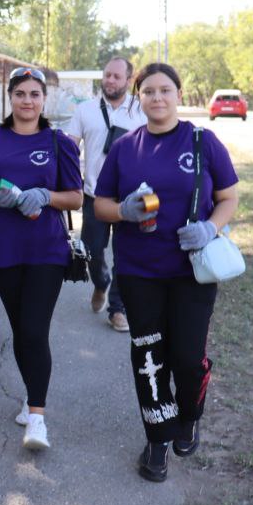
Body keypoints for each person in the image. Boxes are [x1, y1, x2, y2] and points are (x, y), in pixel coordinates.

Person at [93, 62, 239, 483]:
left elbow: (228, 196)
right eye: (149, 92)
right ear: (139, 98)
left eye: (165, 90)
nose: (157, 98)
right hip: (139, 271)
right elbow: (101, 203)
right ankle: (156, 439)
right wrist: (123, 210)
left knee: (188, 358)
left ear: (178, 94)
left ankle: (189, 416)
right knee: (149, 356)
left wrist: (211, 227)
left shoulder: (203, 141)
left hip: (192, 272)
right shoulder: (125, 147)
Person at [0, 67, 82, 451]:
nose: (27, 101)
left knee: (34, 329)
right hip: (3, 249)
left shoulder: (58, 141)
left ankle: (37, 418)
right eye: (20, 94)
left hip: (46, 248)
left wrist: (46, 196)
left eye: (34, 94)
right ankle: (32, 394)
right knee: (20, 328)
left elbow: (76, 197)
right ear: (9, 98)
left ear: (43, 100)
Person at [64, 56, 145, 334]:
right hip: (94, 195)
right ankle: (100, 282)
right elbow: (70, 148)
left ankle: (117, 309)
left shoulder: (142, 110)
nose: (110, 80)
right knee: (92, 251)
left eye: (116, 76)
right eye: (107, 75)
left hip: (130, 198)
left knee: (125, 254)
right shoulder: (85, 110)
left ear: (129, 80)